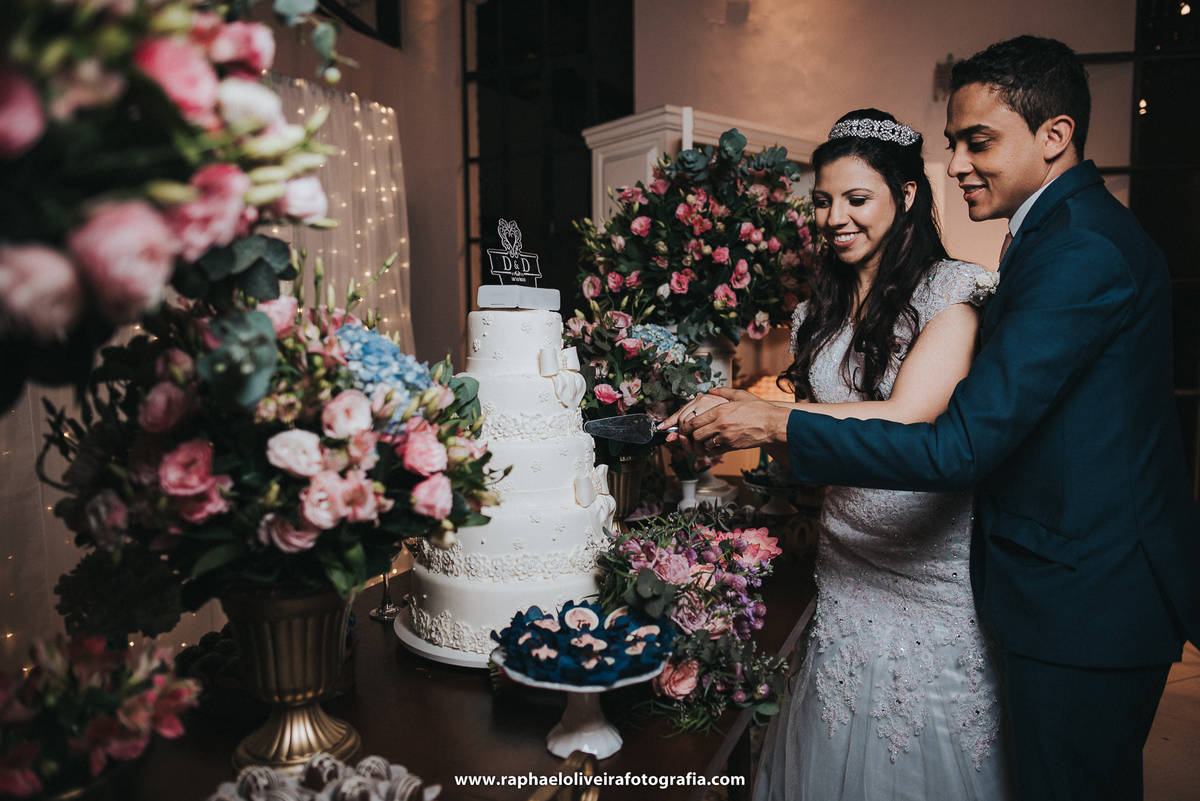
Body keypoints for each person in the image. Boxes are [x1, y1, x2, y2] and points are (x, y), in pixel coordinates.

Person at [667, 36, 1200, 800]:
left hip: (1086, 598)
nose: (957, 164)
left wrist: (774, 423)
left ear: (1056, 136)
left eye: (978, 141)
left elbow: (956, 445)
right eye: (953, 143)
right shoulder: (1051, 234)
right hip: (1032, 579)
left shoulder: (1079, 248)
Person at [737, 107, 1013, 800]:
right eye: (825, 200)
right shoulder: (813, 313)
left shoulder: (954, 291)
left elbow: (908, 417)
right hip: (847, 563)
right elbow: (818, 443)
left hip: (930, 574)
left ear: (908, 195)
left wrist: (770, 416)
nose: (836, 217)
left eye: (857, 199)